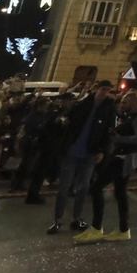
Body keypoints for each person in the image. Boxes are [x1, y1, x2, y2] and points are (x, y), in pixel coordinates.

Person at [77, 91, 137, 243]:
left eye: (124, 102)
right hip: (124, 156)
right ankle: (123, 229)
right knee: (120, 192)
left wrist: (119, 138)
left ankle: (97, 227)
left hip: (123, 158)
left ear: (133, 102)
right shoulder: (133, 116)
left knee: (97, 187)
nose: (121, 105)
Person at [49, 81, 116, 235]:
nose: (105, 93)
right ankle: (58, 219)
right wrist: (63, 122)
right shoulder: (83, 104)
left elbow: (108, 131)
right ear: (96, 89)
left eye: (107, 90)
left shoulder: (108, 109)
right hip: (73, 149)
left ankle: (76, 217)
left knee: (83, 187)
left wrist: (102, 150)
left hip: (90, 152)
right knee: (65, 186)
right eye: (103, 89)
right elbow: (65, 117)